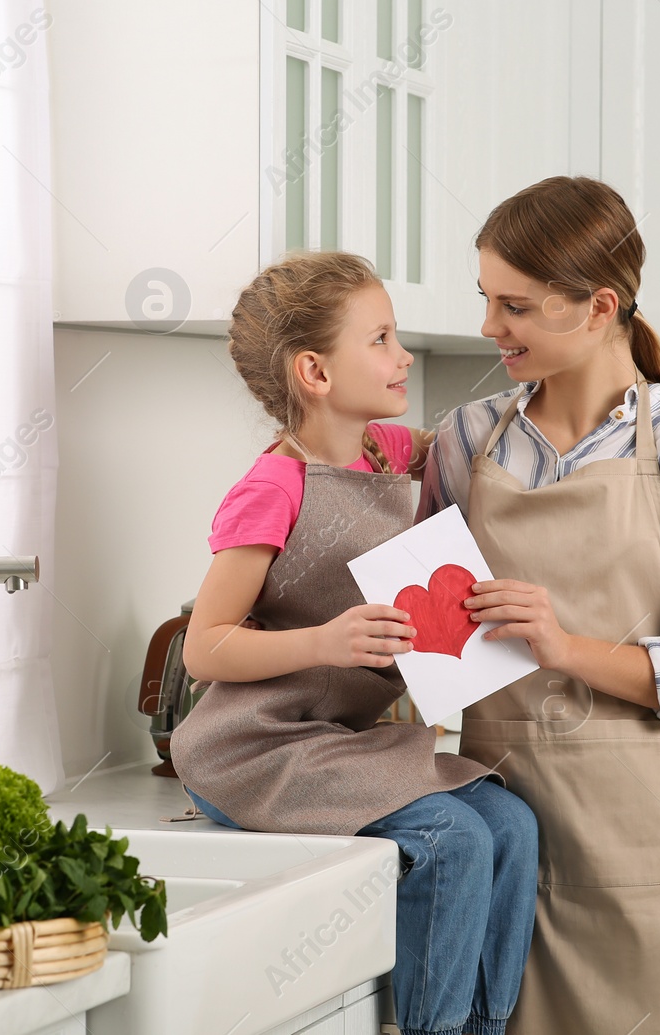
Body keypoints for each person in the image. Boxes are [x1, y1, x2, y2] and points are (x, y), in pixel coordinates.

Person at [419, 175, 660, 1034]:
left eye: (517, 307)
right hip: (516, 850)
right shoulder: (465, 441)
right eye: (487, 301)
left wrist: (562, 645)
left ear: (599, 305)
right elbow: (418, 623)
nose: (491, 328)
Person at [168, 251, 539, 1035]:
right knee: (452, 838)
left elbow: (493, 429)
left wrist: (637, 386)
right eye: (380, 339)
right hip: (255, 748)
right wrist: (325, 640)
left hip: (336, 743)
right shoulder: (272, 486)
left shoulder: (384, 453)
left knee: (511, 823)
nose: (402, 355)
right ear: (315, 370)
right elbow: (205, 647)